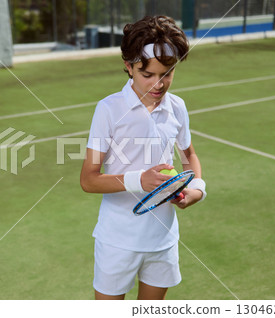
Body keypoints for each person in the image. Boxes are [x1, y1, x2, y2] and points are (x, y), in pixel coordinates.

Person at [80, 16, 207, 300]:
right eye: (147, 74)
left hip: (162, 239)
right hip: (118, 240)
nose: (158, 84)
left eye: (167, 74)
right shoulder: (108, 109)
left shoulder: (177, 107)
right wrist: (141, 180)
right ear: (129, 67)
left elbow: (190, 157)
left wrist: (196, 190)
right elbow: (88, 180)